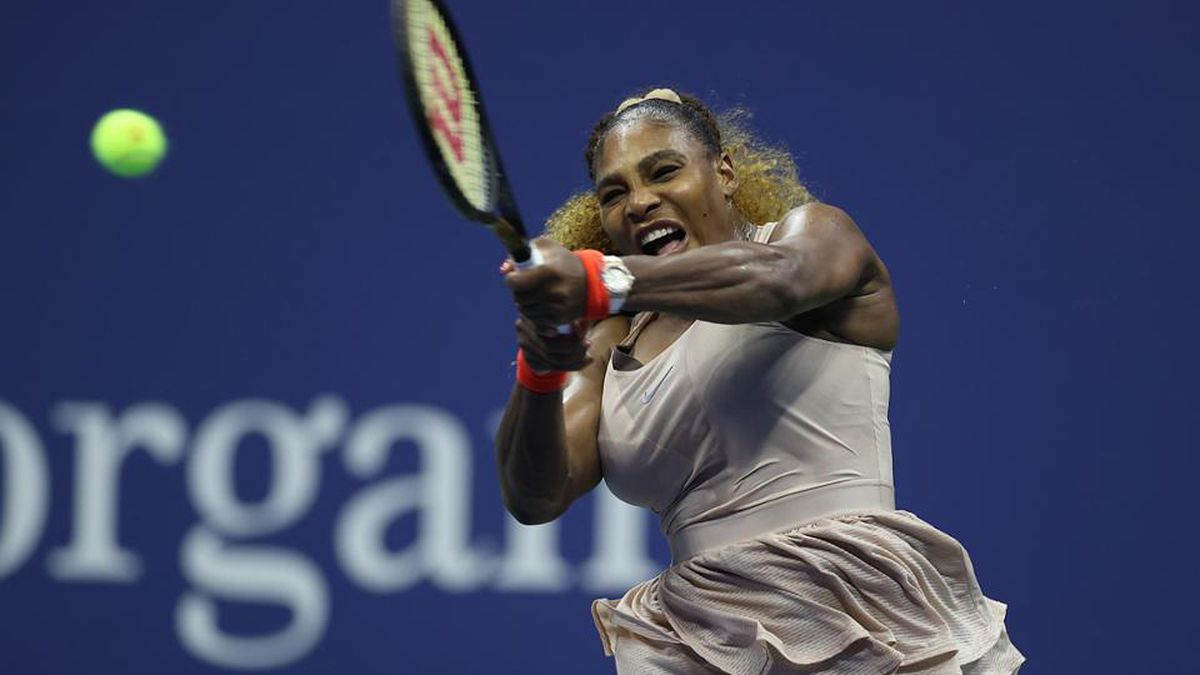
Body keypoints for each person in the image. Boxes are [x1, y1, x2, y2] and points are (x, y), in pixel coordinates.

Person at [495, 88, 1025, 674]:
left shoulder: (811, 236)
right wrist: (540, 366)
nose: (640, 202)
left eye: (663, 171)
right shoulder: (606, 343)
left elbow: (780, 282)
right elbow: (535, 496)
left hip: (855, 610)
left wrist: (603, 279)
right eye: (614, 193)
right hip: (694, 640)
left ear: (724, 172)